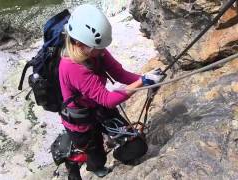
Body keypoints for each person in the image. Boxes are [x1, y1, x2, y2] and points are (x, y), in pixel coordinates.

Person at [59, 4, 163, 180]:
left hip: (98, 107)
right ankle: (76, 162)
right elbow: (107, 99)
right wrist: (142, 82)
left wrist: (146, 79)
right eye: (97, 48)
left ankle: (117, 154)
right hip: (82, 120)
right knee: (96, 156)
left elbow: (119, 74)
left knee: (136, 146)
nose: (102, 52)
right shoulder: (72, 66)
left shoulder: (95, 50)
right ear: (79, 43)